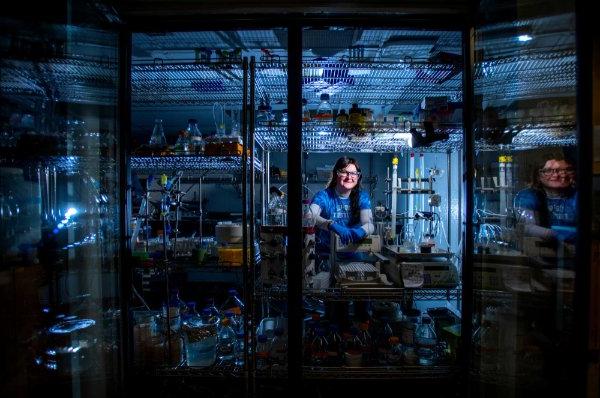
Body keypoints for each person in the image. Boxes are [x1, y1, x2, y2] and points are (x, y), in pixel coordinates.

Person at [310, 156, 375, 257]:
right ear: (336, 174)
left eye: (353, 173)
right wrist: (331, 225)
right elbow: (309, 216)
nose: (349, 177)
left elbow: (369, 224)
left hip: (354, 257)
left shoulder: (362, 197)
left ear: (358, 177)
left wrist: (361, 231)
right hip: (326, 257)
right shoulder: (323, 196)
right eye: (344, 172)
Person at [514, 154, 577, 243]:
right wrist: (556, 234)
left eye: (561, 170)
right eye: (548, 171)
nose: (556, 175)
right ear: (538, 176)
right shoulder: (528, 196)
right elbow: (527, 228)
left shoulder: (576, 196)